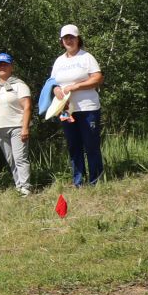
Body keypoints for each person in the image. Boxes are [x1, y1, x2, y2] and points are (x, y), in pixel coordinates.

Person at [50, 25, 104, 186]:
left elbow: (97, 78)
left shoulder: (86, 57)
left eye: (72, 37)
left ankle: (96, 181)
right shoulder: (59, 61)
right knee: (73, 145)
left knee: (91, 145)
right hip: (66, 110)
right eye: (65, 38)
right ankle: (78, 181)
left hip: (87, 108)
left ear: (78, 38)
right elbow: (52, 83)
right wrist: (56, 89)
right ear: (61, 41)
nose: (69, 40)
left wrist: (75, 86)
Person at [0, 53, 33, 196]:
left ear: (11, 66)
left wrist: (25, 127)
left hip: (17, 126)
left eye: (5, 64)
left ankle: (26, 187)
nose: (2, 67)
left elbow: (27, 107)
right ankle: (19, 186)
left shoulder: (19, 84)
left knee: (20, 158)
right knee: (10, 159)